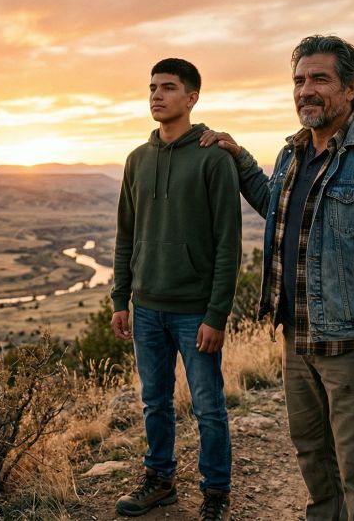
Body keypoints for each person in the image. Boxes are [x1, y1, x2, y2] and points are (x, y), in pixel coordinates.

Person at [200, 35, 354, 520]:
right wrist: (240, 159)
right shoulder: (293, 153)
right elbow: (277, 208)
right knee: (314, 462)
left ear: (351, 87)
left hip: (352, 345)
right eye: (299, 80)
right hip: (297, 338)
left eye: (320, 79)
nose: (306, 90)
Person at [110, 58, 241, 520]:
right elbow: (126, 235)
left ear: (192, 98)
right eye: (152, 88)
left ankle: (216, 494)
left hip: (194, 312)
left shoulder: (213, 158)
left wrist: (216, 314)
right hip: (146, 307)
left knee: (208, 406)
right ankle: (160, 480)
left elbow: (228, 242)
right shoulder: (137, 160)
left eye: (167, 87)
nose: (156, 96)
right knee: (155, 402)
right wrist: (121, 298)